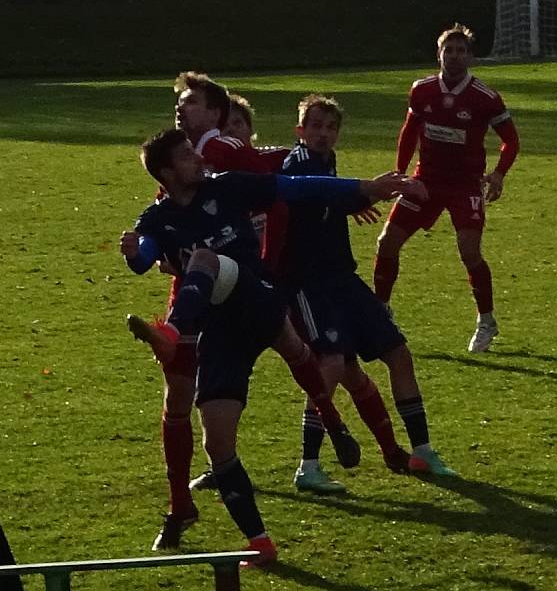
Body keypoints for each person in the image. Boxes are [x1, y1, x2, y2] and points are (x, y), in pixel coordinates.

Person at [121, 127, 411, 563]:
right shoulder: (157, 219)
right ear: (166, 173)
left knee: (205, 263)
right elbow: (144, 258)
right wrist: (132, 251)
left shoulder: (229, 186)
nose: (198, 159)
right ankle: (260, 543)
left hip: (256, 294)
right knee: (216, 444)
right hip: (220, 329)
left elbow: (297, 188)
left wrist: (362, 188)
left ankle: (173, 332)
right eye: (186, 156)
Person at [279, 94, 456, 478]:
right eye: (315, 126)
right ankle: (308, 466)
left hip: (343, 277)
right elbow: (310, 191)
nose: (322, 134)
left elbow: (325, 198)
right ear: (300, 131)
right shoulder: (298, 162)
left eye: (330, 127)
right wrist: (371, 190)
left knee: (398, 352)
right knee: (330, 364)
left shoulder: (326, 162)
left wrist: (354, 200)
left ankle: (422, 450)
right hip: (310, 283)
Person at [148, 73, 289, 552]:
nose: (180, 109)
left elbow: (277, 190)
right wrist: (151, 250)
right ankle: (179, 504)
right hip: (187, 299)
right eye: (179, 103)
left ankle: (329, 435)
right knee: (176, 402)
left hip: (238, 296)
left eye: (189, 102)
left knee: (305, 352)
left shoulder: (226, 163)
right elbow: (163, 244)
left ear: (214, 112)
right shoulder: (174, 166)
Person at [373, 23, 520, 352]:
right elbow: (408, 132)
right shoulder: (422, 90)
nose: (453, 56)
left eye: (460, 51)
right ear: (438, 55)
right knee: (387, 242)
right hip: (424, 181)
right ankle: (380, 311)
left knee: (470, 252)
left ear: (470, 57)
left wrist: (498, 174)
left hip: (464, 186)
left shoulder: (485, 98)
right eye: (448, 50)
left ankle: (487, 321)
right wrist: (400, 174)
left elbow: (511, 140)